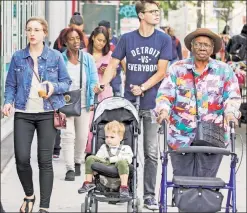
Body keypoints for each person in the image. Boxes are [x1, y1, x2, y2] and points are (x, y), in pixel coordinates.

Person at [94, 0, 172, 210]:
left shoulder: (164, 39)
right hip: (129, 104)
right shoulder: (127, 39)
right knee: (125, 149)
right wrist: (103, 83)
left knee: (151, 152)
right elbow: (112, 64)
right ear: (141, 15)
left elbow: (162, 71)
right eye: (152, 11)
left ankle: (148, 195)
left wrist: (143, 87)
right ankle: (124, 188)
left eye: (158, 11)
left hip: (153, 104)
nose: (157, 15)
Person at [2, 17, 72, 213]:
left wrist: (52, 86)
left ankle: (44, 207)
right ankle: (30, 195)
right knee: (22, 159)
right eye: (29, 29)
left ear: (44, 33)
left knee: (45, 161)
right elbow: (10, 85)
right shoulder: (17, 57)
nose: (32, 33)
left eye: (36, 30)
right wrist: (8, 102)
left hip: (47, 113)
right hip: (23, 113)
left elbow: (66, 82)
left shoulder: (55, 57)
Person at [155, 28, 241, 180]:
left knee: (206, 181)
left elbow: (233, 97)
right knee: (182, 181)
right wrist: (163, 111)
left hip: (213, 135)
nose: (202, 48)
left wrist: (231, 113)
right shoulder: (177, 69)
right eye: (199, 44)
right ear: (192, 47)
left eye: (207, 45)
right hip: (180, 135)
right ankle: (183, 202)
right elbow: (165, 95)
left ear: (212, 48)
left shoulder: (224, 71)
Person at [60, 27, 99, 181]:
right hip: (66, 102)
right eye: (71, 39)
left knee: (82, 136)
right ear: (65, 42)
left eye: (78, 38)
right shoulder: (60, 59)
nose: (76, 41)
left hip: (84, 102)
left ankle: (77, 161)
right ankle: (69, 168)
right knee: (68, 135)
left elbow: (94, 79)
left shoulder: (88, 59)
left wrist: (95, 88)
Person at [52, 12, 89, 160]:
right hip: (63, 87)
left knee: (79, 131)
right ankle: (57, 148)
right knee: (61, 123)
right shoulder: (61, 39)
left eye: (79, 29)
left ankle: (76, 157)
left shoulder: (84, 41)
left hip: (79, 90)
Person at [78, 120, 133, 198]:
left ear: (120, 138)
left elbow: (129, 159)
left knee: (123, 162)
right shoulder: (104, 147)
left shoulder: (126, 148)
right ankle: (88, 182)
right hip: (105, 165)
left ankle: (124, 187)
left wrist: (112, 159)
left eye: (112, 137)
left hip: (120, 166)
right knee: (90, 158)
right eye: (106, 137)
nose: (108, 139)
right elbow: (98, 158)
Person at [84, 26, 114, 154]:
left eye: (104, 41)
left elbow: (113, 73)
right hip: (88, 92)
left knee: (103, 122)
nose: (101, 43)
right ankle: (88, 150)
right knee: (87, 123)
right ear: (93, 38)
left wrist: (106, 73)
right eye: (99, 40)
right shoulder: (84, 53)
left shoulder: (109, 55)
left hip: (104, 92)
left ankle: (101, 150)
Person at [98, 20, 126, 97]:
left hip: (115, 74)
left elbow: (122, 58)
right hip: (101, 74)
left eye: (104, 29)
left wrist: (126, 72)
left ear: (109, 29)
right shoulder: (100, 41)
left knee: (117, 95)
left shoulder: (116, 41)